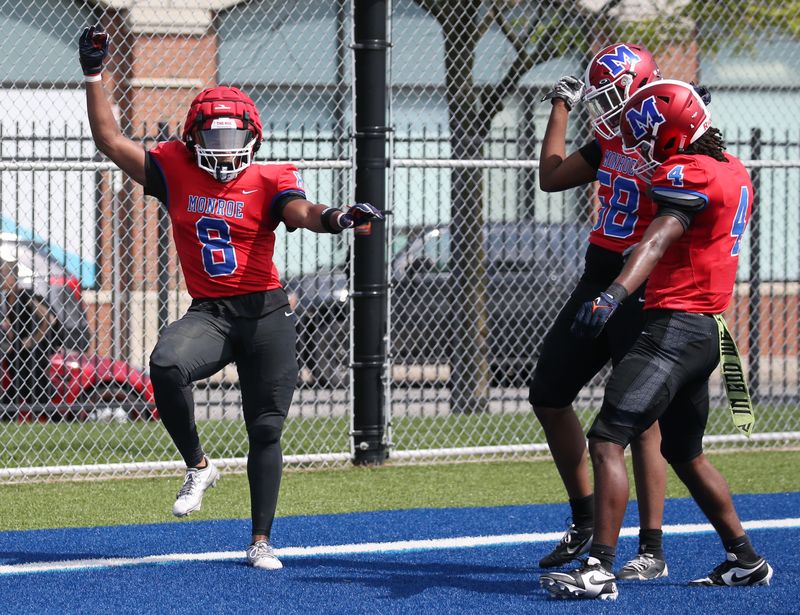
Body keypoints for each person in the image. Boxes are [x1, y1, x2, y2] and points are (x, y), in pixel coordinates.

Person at [79, 26, 383, 569]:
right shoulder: (173, 166)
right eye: (212, 139)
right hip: (213, 314)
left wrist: (338, 217)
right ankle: (198, 465)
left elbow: (303, 213)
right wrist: (95, 74)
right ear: (194, 139)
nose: (223, 151)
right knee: (166, 364)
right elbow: (110, 140)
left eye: (231, 138)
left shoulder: (270, 177)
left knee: (265, 429)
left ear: (254, 137)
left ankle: (261, 539)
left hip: (266, 313)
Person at [540, 79, 773, 600]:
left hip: (672, 328)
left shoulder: (685, 172)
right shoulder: (731, 168)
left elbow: (659, 234)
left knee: (606, 439)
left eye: (651, 135)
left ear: (672, 135)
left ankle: (599, 568)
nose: (643, 144)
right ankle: (747, 559)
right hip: (706, 331)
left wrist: (613, 294)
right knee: (687, 453)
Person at [531, 43, 669, 579]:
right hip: (596, 279)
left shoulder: (671, 145)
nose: (607, 106)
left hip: (640, 289)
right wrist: (560, 107)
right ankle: (585, 517)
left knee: (641, 421)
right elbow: (551, 176)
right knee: (548, 394)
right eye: (601, 95)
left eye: (616, 94)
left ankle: (651, 549)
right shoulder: (610, 139)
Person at [0, 258, 57, 419]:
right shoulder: (6, 299)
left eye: (3, 275)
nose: (1, 279)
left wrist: (33, 339)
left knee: (31, 392)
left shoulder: (24, 295)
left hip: (32, 354)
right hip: (19, 354)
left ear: (12, 277)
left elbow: (48, 318)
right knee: (26, 391)